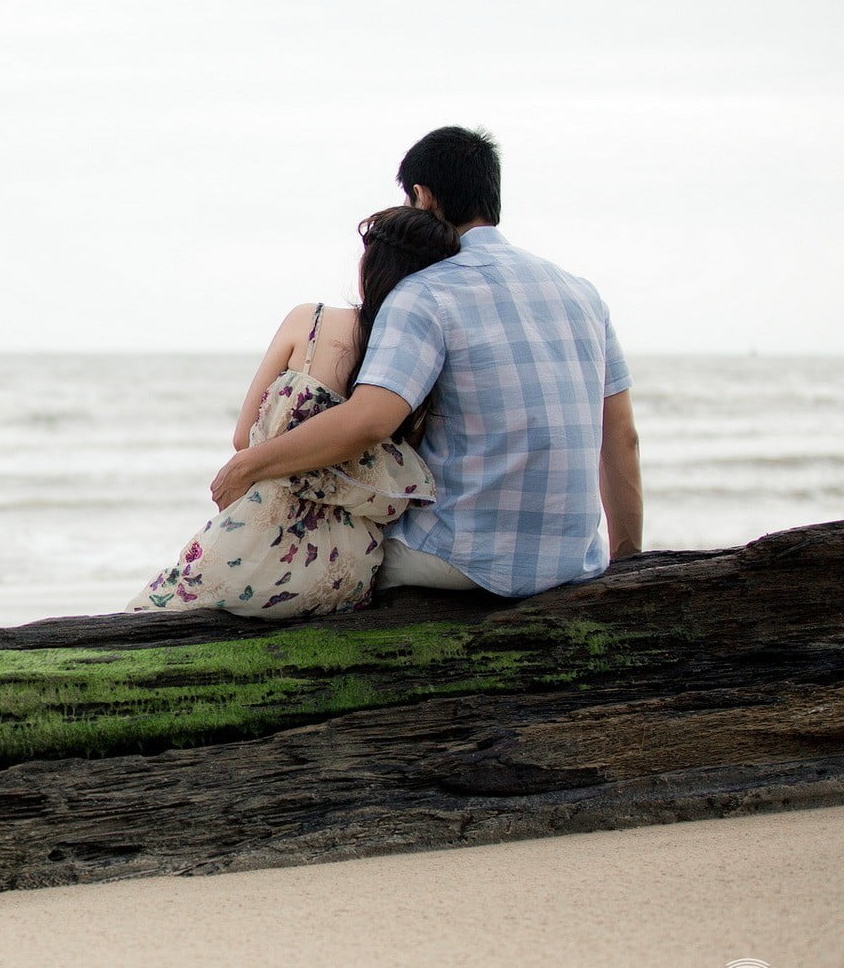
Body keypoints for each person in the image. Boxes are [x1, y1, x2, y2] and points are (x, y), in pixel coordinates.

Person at [209, 126, 643, 598]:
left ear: (423, 196)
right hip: (575, 560)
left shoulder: (426, 292)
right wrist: (628, 561)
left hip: (461, 558)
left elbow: (368, 421)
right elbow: (621, 437)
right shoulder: (581, 293)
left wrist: (248, 466)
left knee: (331, 553)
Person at [128, 207, 459, 617]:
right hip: (350, 569)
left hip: (260, 546)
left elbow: (242, 437)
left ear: (372, 265)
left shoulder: (311, 321)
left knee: (147, 610)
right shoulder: (423, 359)